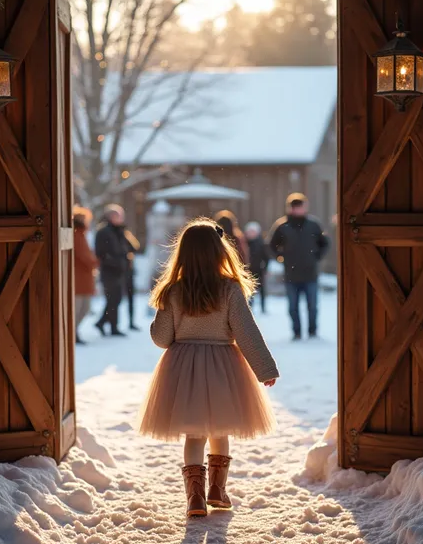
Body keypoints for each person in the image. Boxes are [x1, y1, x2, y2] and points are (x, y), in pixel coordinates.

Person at [137, 218, 279, 518]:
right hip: (222, 364)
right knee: (220, 427)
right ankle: (218, 490)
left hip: (183, 367)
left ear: (183, 254)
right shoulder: (229, 289)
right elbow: (246, 332)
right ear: (220, 251)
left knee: (194, 433)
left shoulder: (173, 291)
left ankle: (195, 499)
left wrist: (164, 316)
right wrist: (264, 368)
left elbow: (162, 339)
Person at [269, 193, 330, 341]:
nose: (298, 210)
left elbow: (325, 243)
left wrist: (317, 257)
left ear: (305, 207)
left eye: (300, 207)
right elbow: (271, 245)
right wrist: (280, 257)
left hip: (310, 273)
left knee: (312, 306)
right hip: (291, 274)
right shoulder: (282, 226)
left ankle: (312, 331)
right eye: (295, 207)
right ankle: (296, 332)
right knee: (293, 307)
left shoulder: (313, 225)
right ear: (290, 208)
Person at [94, 204, 130, 337]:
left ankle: (103, 322)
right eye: (117, 216)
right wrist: (115, 263)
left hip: (118, 271)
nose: (120, 218)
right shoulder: (103, 232)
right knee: (113, 299)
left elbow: (129, 247)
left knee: (116, 299)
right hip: (109, 271)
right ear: (110, 217)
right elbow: (101, 253)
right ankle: (111, 326)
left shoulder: (119, 231)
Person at [73, 207, 99, 345]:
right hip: (79, 278)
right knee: (79, 309)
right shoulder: (77, 235)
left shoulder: (81, 234)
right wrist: (96, 262)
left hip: (83, 278)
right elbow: (85, 256)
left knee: (84, 308)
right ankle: (73, 333)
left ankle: (74, 332)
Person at [245, 221, 270, 314]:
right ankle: (250, 307)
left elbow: (266, 258)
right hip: (248, 271)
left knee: (262, 289)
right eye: (249, 232)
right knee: (249, 291)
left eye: (253, 231)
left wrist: (265, 269)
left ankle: (263, 308)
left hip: (259, 270)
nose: (251, 234)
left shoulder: (262, 244)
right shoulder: (245, 244)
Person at [124, 228, 141, 331]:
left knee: (130, 298)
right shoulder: (110, 233)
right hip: (120, 271)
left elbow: (135, 247)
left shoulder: (124, 234)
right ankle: (104, 321)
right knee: (114, 299)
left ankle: (131, 321)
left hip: (127, 271)